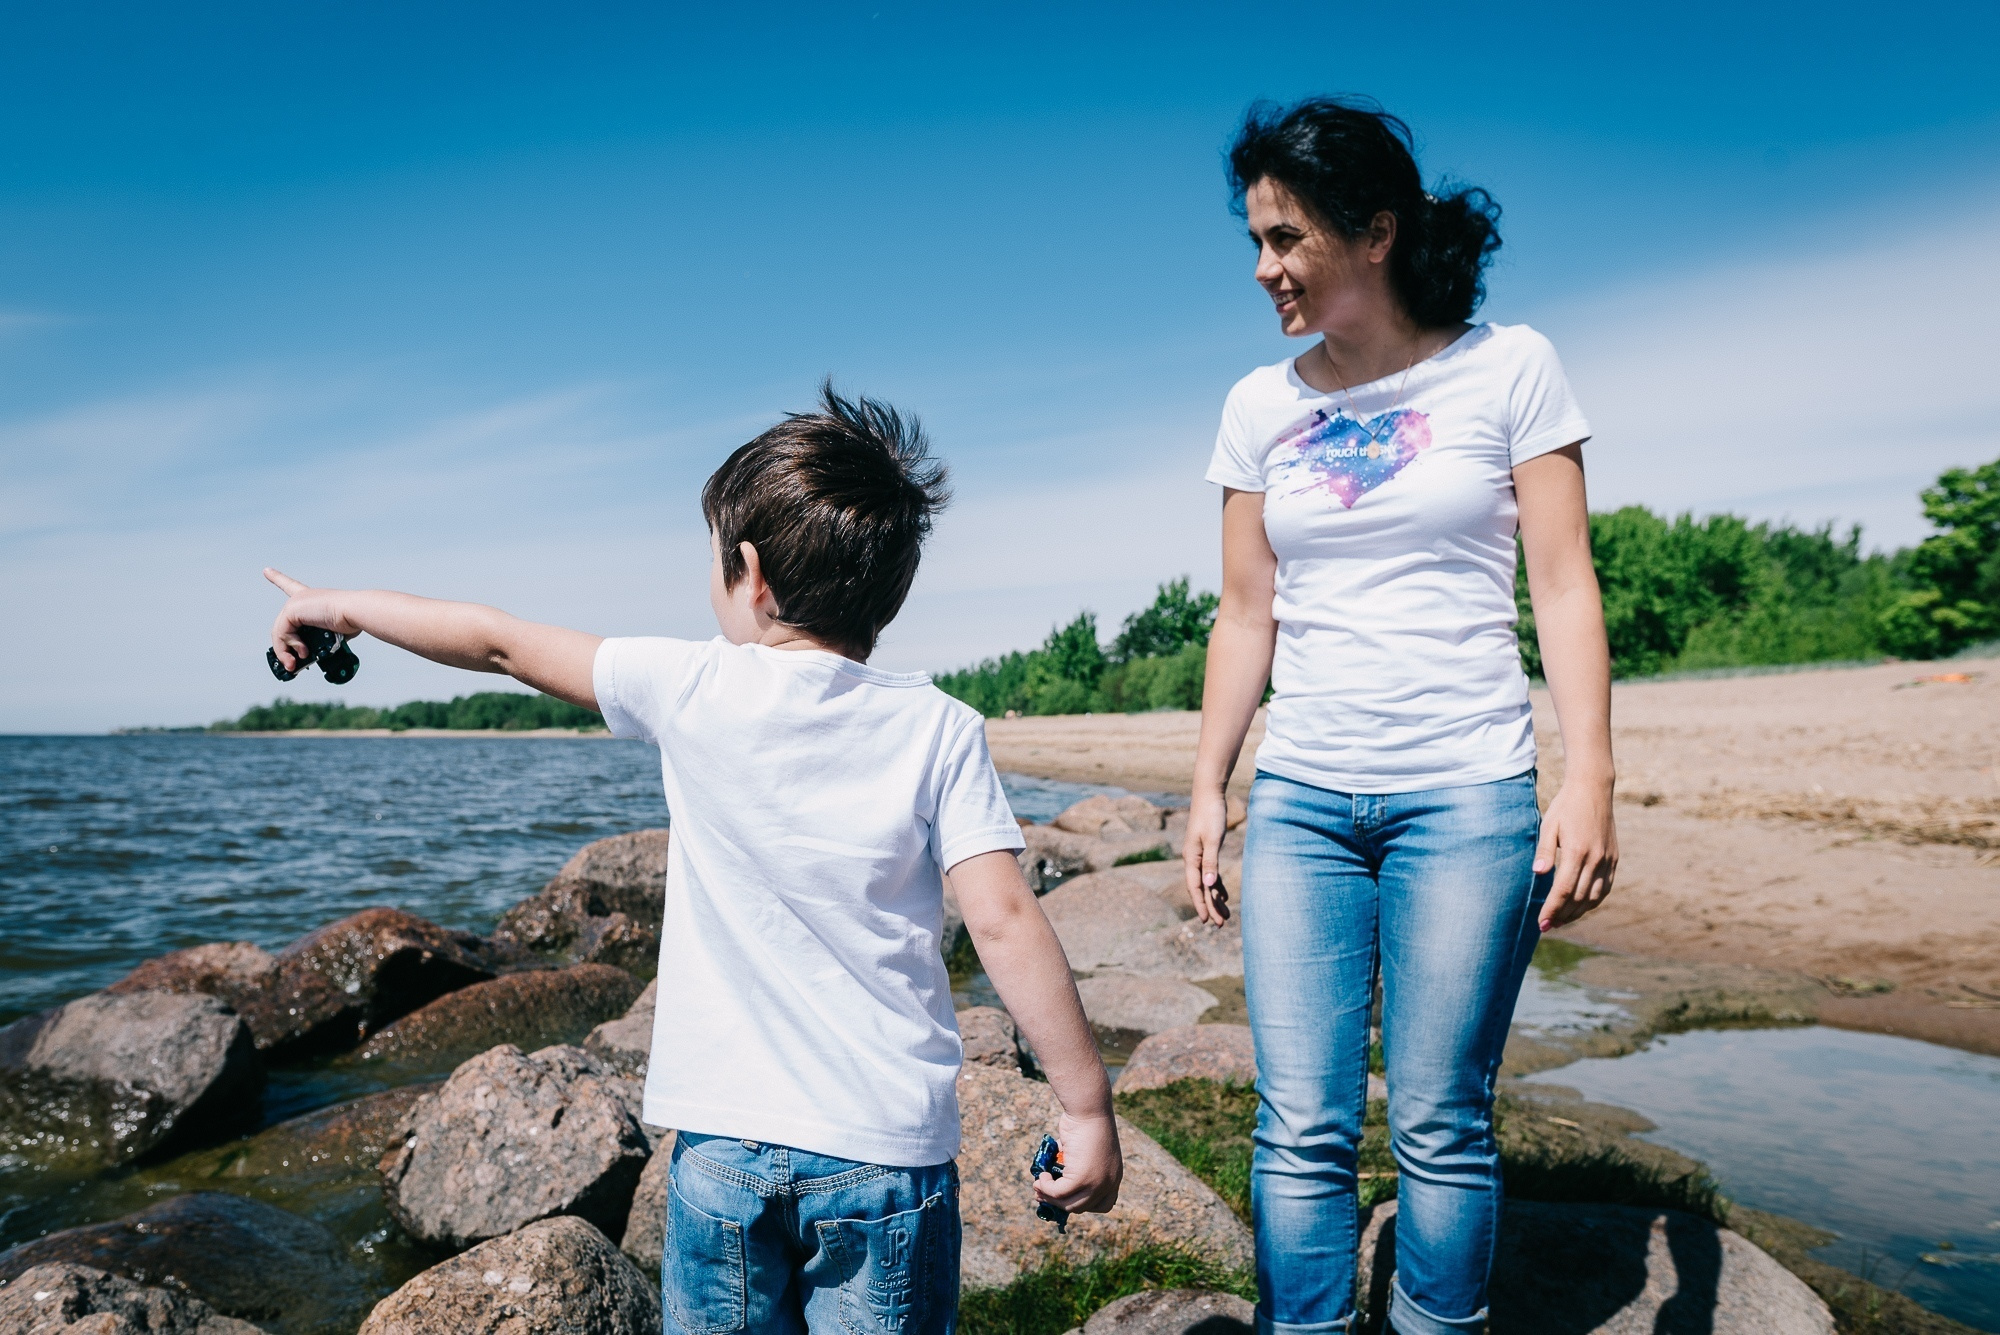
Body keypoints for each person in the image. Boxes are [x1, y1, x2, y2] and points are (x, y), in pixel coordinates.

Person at [265, 384, 1121, 1335]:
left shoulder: (690, 686)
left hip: (724, 1150)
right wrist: (1085, 1106)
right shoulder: (939, 728)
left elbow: (497, 641)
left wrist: (335, 604)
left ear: (749, 574)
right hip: (883, 1156)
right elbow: (1003, 917)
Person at [1181, 98, 1618, 1335]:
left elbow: (1562, 581)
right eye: (1254, 240)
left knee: (1438, 1118)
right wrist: (1210, 785)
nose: (1263, 267)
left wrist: (1586, 777)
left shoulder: (1509, 366)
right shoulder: (1256, 405)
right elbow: (1242, 611)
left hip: (1466, 794)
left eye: (1284, 238)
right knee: (1299, 1122)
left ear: (1372, 232)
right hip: (1306, 796)